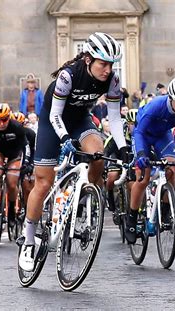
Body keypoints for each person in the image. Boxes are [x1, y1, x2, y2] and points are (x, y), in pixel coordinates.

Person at [19, 32, 128, 271]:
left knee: (98, 152)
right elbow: (55, 115)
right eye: (103, 64)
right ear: (88, 59)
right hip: (52, 123)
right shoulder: (68, 76)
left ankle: (83, 198)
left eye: (111, 65)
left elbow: (114, 118)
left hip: (80, 121)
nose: (108, 70)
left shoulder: (112, 80)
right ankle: (28, 238)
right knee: (43, 182)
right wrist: (65, 138)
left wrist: (123, 148)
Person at [126, 75, 175, 243]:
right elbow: (139, 133)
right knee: (143, 177)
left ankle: (164, 209)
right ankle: (132, 219)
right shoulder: (156, 106)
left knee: (172, 168)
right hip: (143, 135)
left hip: (162, 136)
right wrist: (142, 154)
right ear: (170, 97)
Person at [0, 104, 27, 228]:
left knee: (12, 183)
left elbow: (26, 147)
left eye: (4, 120)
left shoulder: (17, 127)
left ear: (9, 117)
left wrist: (25, 163)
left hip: (15, 154)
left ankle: (12, 212)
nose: (1, 123)